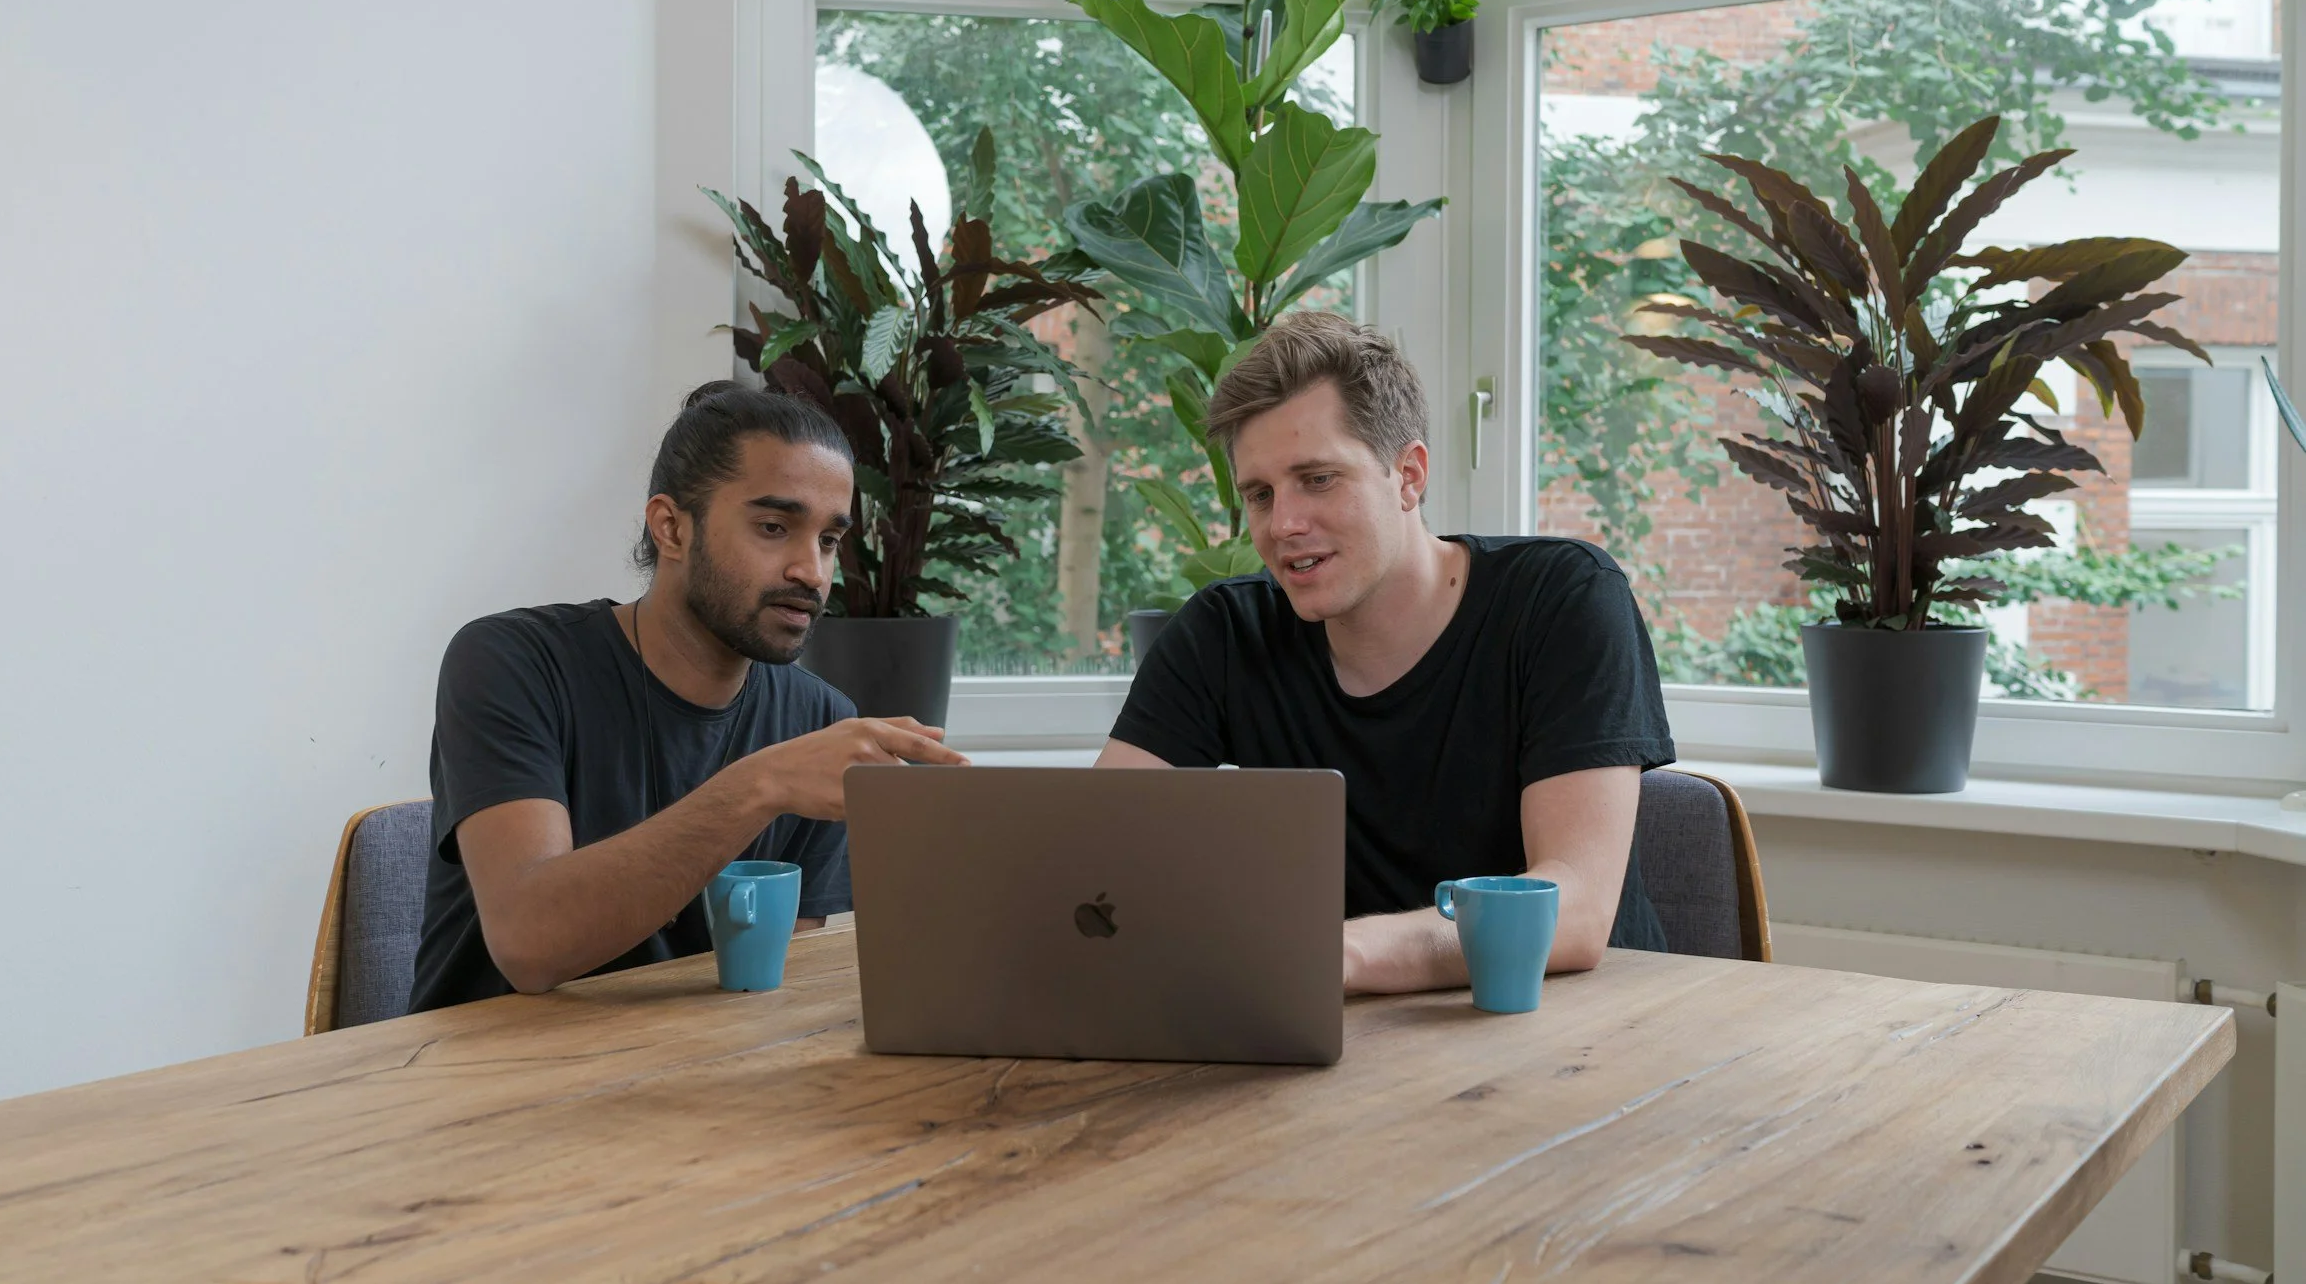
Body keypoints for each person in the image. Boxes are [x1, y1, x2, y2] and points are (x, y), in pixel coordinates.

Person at [1097, 311, 1674, 995]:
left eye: (1317, 478)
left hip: (1576, 1036)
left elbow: (1573, 909)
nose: (1283, 523)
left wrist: (1344, 953)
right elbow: (1093, 859)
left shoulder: (1563, 599)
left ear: (1408, 474)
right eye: (1260, 493)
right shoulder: (1223, 634)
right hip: (1348, 1045)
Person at [409, 381, 967, 1012]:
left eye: (829, 540)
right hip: (480, 1086)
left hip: (690, 1084)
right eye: (773, 526)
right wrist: (762, 784)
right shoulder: (513, 662)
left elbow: (772, 990)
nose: (811, 571)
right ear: (671, 528)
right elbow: (528, 941)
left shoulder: (818, 719)